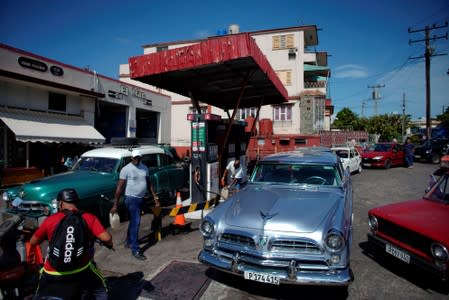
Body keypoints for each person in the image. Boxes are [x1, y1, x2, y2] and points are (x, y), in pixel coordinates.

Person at [30, 188, 113, 300]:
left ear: (60, 203)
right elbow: (106, 238)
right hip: (80, 270)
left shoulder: (51, 220)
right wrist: (109, 244)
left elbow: (33, 241)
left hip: (53, 272)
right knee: (101, 290)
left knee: (39, 293)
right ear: (77, 202)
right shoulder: (88, 217)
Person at [110, 149, 159, 261]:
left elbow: (149, 183)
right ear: (131, 158)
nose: (137, 159)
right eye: (135, 158)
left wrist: (155, 197)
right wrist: (115, 205)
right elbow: (119, 188)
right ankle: (135, 249)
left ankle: (128, 241)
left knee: (133, 221)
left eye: (139, 158)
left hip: (141, 198)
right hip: (131, 199)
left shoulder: (144, 168)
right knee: (136, 222)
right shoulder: (126, 169)